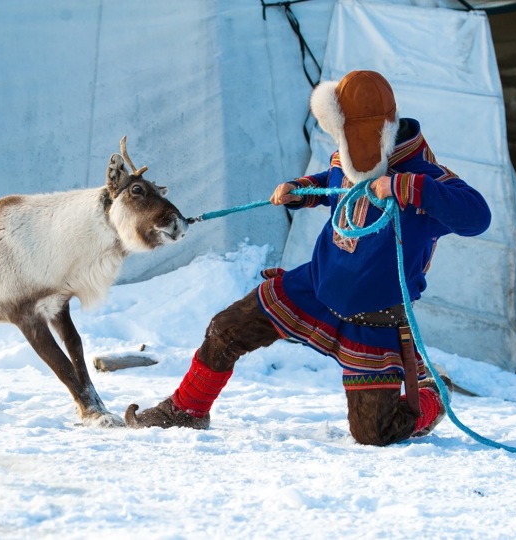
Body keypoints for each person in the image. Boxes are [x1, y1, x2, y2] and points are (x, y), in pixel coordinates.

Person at [124, 70, 491, 446]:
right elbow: (331, 182)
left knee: (373, 433)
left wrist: (409, 188)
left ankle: (434, 392)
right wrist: (301, 190)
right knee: (226, 329)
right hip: (315, 288)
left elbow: (478, 216)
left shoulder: (426, 177)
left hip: (375, 322)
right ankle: (185, 411)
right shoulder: (344, 158)